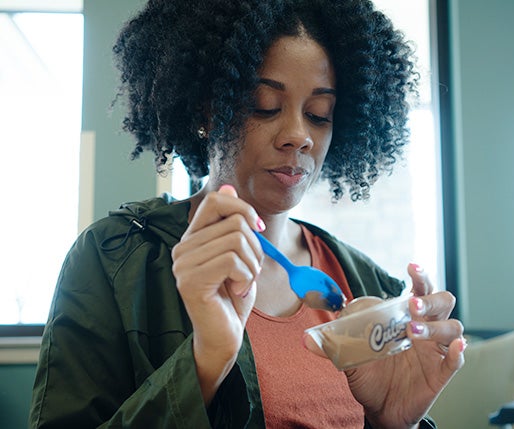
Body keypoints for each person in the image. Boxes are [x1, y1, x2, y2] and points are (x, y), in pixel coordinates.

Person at [29, 0, 465, 428]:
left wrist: (393, 423)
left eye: (318, 115)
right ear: (207, 109)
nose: (298, 136)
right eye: (263, 105)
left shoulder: (367, 286)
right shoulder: (114, 260)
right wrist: (205, 363)